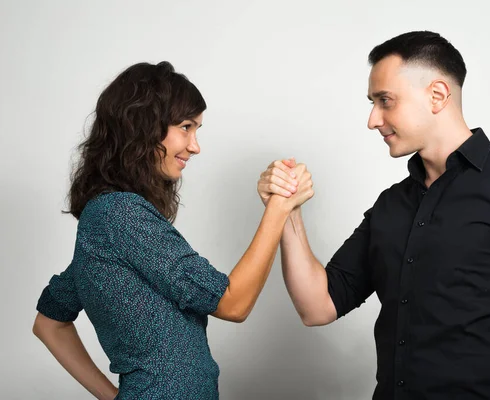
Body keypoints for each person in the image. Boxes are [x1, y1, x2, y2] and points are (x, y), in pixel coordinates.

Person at [258, 31, 490, 399]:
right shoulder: (390, 205)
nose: (372, 119)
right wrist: (287, 208)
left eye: (385, 101)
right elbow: (318, 306)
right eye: (372, 102)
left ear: (438, 95)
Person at [32, 61, 313, 399]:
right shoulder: (121, 215)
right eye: (185, 127)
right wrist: (278, 206)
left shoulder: (106, 224)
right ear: (142, 126)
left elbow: (49, 323)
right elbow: (233, 303)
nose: (195, 146)